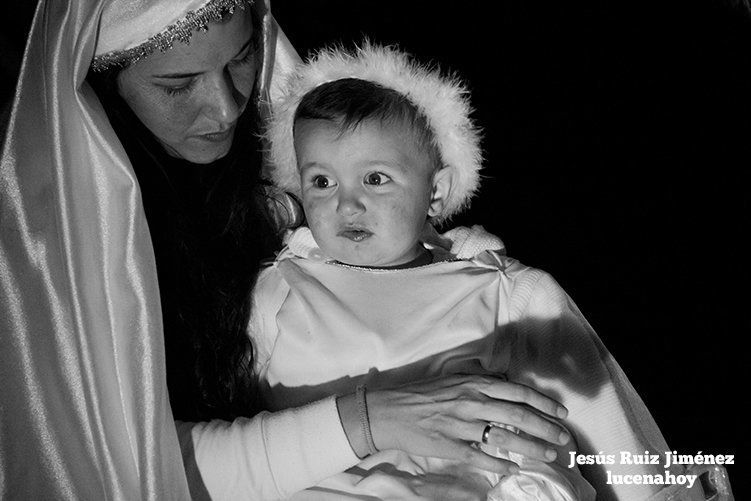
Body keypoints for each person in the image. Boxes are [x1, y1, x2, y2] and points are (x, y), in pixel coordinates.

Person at [0, 0, 576, 499]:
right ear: (100, 84)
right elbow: (125, 473)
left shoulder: (307, 188)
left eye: (243, 57)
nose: (227, 107)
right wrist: (368, 420)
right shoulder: (59, 262)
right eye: (177, 85)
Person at [241, 43, 710, 500]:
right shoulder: (277, 289)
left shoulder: (504, 293)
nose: (346, 203)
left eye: (376, 178)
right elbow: (231, 438)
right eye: (322, 181)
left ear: (436, 192)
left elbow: (599, 420)